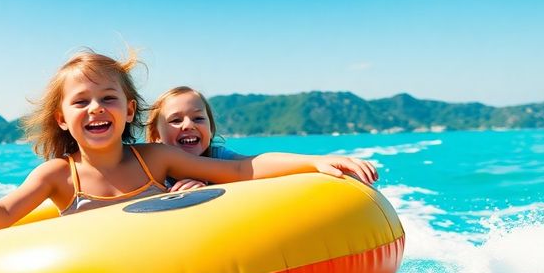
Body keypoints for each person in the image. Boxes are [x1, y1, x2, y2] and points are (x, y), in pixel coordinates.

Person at [0, 50, 376, 256]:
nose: (95, 108)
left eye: (108, 99)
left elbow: (239, 167)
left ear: (129, 110)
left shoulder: (155, 158)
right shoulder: (57, 176)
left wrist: (314, 162)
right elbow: (8, 207)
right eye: (80, 102)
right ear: (62, 119)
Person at [146, 85, 377, 191]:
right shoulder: (151, 170)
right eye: (175, 120)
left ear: (211, 127)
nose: (188, 125)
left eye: (198, 119)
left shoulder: (218, 157)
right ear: (156, 136)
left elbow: (252, 164)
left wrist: (316, 161)